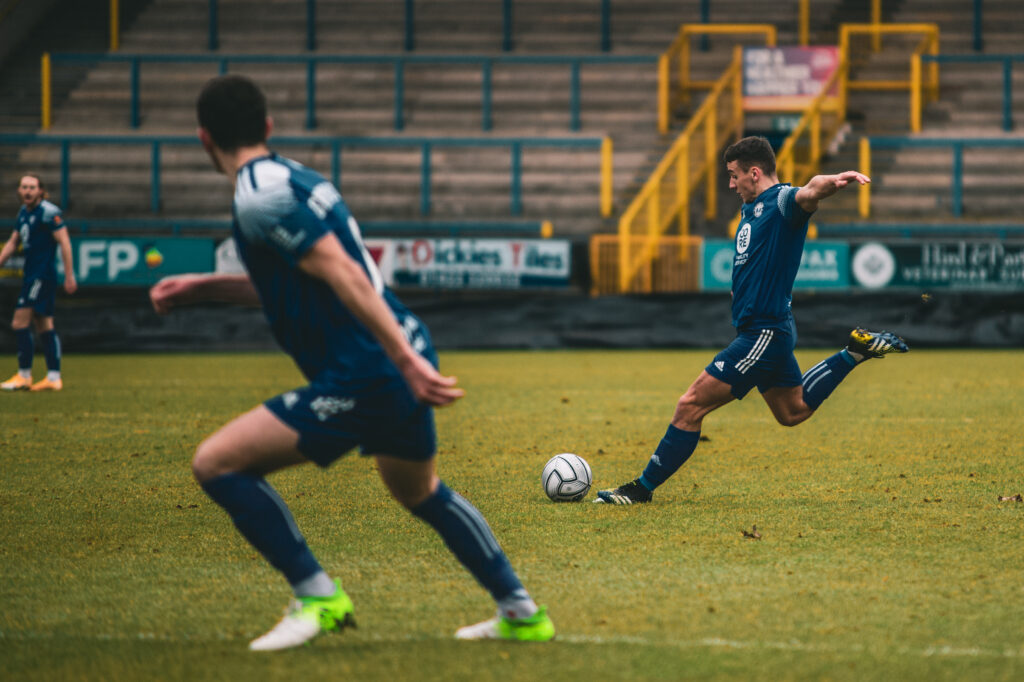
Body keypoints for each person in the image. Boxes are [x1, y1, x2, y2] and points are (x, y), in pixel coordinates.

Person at [149, 74, 554, 651]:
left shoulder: (257, 195)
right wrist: (204, 286)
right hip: (397, 347)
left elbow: (341, 271)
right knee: (419, 491)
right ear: (267, 126)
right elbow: (301, 279)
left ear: (203, 138)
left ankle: (316, 596)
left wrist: (402, 363)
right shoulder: (298, 178)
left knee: (217, 464)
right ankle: (521, 611)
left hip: (369, 367)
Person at [595, 136, 908, 505]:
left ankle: (640, 490)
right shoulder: (751, 210)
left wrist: (832, 182)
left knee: (690, 405)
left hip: (764, 333)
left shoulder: (780, 202)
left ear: (754, 173)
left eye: (734, 175)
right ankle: (854, 352)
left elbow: (808, 193)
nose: (731, 184)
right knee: (792, 411)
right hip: (768, 330)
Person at [0, 174, 77, 392]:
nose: (27, 191)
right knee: (44, 325)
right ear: (19, 190)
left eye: (32, 187)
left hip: (41, 276)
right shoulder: (23, 213)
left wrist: (69, 275)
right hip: (32, 274)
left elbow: (65, 242)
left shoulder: (49, 213)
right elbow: (13, 242)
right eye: (24, 187)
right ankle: (53, 377)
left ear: (40, 191)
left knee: (19, 323)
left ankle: (24, 375)